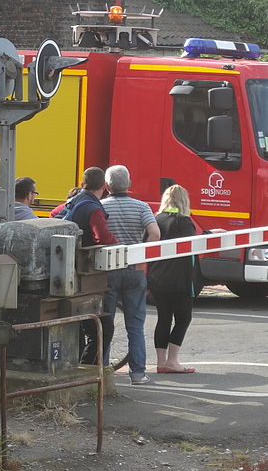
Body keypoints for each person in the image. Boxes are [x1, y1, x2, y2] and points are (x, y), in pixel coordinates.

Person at [101, 165, 160, 385]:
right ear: (130, 183)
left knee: (105, 321)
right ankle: (137, 374)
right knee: (135, 324)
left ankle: (104, 372)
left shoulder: (101, 207)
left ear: (107, 186)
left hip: (107, 270)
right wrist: (141, 255)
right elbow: (155, 233)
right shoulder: (141, 207)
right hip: (134, 270)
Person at [62, 168, 117, 365]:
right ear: (104, 186)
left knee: (80, 324)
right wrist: (118, 244)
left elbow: (55, 216)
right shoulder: (93, 207)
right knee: (102, 328)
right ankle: (88, 371)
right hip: (83, 274)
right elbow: (102, 237)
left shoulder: (75, 200)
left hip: (68, 269)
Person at [149, 184, 198, 373]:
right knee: (183, 318)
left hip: (157, 277)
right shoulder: (184, 222)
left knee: (163, 318)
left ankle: (161, 362)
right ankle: (173, 360)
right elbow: (193, 245)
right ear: (184, 200)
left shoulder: (156, 220)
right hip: (179, 279)